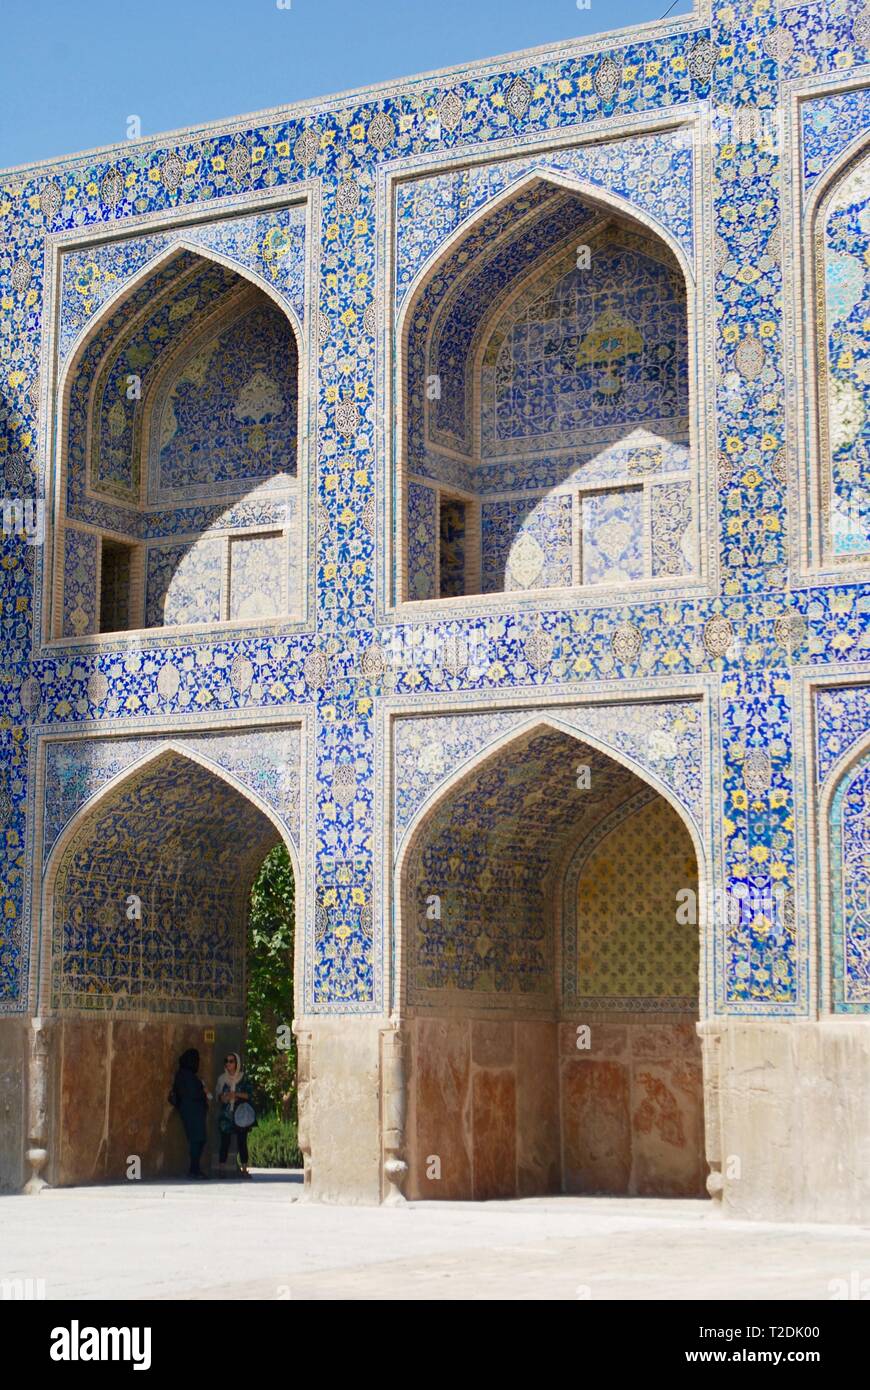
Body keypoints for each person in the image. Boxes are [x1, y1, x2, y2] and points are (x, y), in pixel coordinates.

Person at [171, 1048, 211, 1179]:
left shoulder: (185, 1075)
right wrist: (203, 1091)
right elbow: (193, 1094)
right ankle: (194, 1169)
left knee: (198, 1140)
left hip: (193, 1113)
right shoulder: (186, 1076)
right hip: (192, 1114)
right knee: (197, 1140)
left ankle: (195, 1168)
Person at [215, 1052, 252, 1178]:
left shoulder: (243, 1078)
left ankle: (245, 1169)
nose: (228, 1064)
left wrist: (236, 1094)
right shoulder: (222, 1079)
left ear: (237, 1063)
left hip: (240, 1115)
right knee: (224, 1142)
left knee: (242, 1142)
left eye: (231, 1061)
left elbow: (249, 1095)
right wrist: (224, 1097)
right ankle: (221, 1169)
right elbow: (218, 1096)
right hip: (226, 1115)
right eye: (226, 1061)